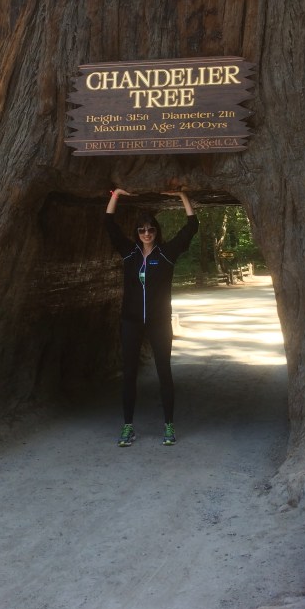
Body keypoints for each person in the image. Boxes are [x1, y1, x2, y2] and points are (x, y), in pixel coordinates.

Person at [105, 188, 198, 447]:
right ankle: (127, 426)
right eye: (142, 230)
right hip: (131, 322)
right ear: (137, 233)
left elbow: (192, 226)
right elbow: (109, 224)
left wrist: (181, 196)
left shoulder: (166, 255)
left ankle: (168, 425)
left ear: (157, 232)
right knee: (129, 373)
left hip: (159, 323)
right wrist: (117, 195)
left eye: (151, 229)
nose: (146, 234)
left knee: (163, 372)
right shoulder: (130, 254)